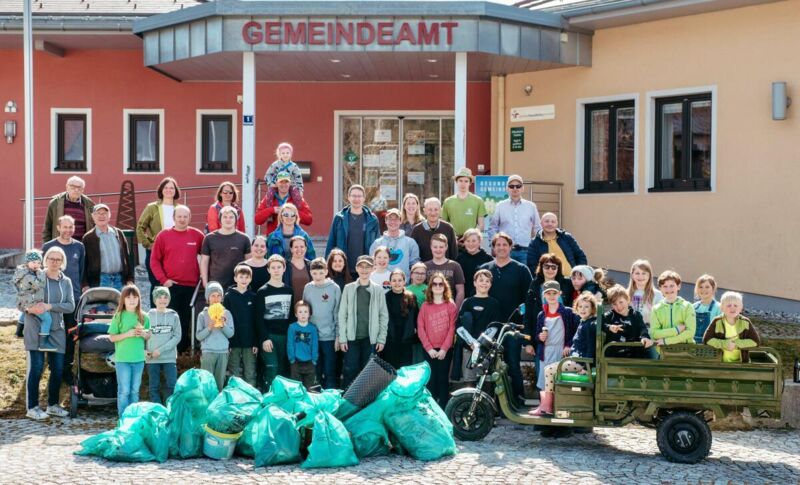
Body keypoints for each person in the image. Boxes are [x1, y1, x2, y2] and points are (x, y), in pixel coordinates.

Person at [23, 246, 75, 420]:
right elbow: (22, 300)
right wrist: (31, 308)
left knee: (58, 369)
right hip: (35, 326)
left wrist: (49, 306)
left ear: (62, 262)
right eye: (51, 258)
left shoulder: (66, 281)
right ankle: (32, 407)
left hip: (57, 328)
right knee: (37, 368)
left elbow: (70, 306)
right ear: (46, 260)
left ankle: (53, 405)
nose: (54, 262)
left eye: (58, 259)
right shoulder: (35, 277)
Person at [480, 232, 533, 399]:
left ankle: (518, 399)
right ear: (493, 248)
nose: (501, 248)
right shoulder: (484, 269)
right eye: (498, 245)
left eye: (505, 244)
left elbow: (529, 300)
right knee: (489, 366)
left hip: (512, 327)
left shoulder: (521, 270)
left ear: (511, 247)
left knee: (512, 364)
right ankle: (489, 402)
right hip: (490, 327)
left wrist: (526, 327)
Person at [531, 291, 597, 416]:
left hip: (580, 362)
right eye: (580, 306)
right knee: (549, 369)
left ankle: (547, 406)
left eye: (586, 307)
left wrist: (586, 367)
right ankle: (547, 404)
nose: (583, 309)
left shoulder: (589, 325)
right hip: (575, 359)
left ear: (592, 308)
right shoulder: (583, 322)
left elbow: (591, 347)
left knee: (549, 370)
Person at [149, 205, 205, 353]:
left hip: (191, 286)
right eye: (179, 216)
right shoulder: (163, 236)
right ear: (173, 218)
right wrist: (164, 280)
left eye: (185, 216)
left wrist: (203, 276)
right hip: (170, 286)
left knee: (186, 320)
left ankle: (182, 351)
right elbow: (154, 261)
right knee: (169, 319)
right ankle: (167, 350)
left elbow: (206, 257)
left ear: (190, 218)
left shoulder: (197, 235)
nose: (182, 219)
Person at [42, 215, 85, 382]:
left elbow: (81, 271)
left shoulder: (79, 247)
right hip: (51, 301)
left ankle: (66, 369)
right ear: (58, 227)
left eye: (71, 227)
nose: (68, 230)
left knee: (69, 335)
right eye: (65, 227)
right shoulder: (49, 246)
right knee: (51, 332)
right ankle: (53, 367)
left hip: (72, 300)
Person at [338, 255, 389, 387]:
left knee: (367, 372)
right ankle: (347, 397)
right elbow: (342, 314)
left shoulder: (378, 290)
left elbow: (383, 315)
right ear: (356, 268)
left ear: (372, 269)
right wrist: (342, 338)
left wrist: (381, 339)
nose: (364, 270)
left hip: (370, 339)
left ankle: (365, 397)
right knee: (350, 370)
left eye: (367, 267)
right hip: (352, 338)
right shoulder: (349, 288)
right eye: (361, 267)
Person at [531, 281, 579, 403]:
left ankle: (559, 406)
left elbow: (576, 332)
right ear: (544, 295)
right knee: (544, 381)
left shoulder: (568, 312)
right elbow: (537, 336)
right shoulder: (541, 315)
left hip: (562, 351)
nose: (551, 296)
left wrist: (568, 345)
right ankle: (544, 405)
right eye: (548, 293)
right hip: (545, 352)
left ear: (560, 294)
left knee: (559, 379)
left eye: (554, 293)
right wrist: (540, 337)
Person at [108, 284, 151, 415]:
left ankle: (133, 418)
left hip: (139, 359)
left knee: (134, 391)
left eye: (135, 297)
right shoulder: (119, 316)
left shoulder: (144, 316)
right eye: (128, 297)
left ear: (139, 299)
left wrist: (143, 334)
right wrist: (128, 334)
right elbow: (112, 337)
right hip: (123, 360)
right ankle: (123, 418)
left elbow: (148, 335)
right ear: (123, 300)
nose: (132, 300)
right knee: (124, 391)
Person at [417, 272, 457, 408]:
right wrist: (429, 348)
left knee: (443, 378)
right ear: (430, 287)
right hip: (429, 349)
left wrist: (444, 349)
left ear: (445, 287)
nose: (438, 286)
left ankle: (444, 408)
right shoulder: (425, 306)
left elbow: (452, 328)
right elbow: (420, 328)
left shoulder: (450, 305)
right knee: (431, 378)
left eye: (441, 284)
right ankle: (431, 407)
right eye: (435, 284)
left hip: (445, 349)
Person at [255, 255, 295, 391]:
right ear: (268, 270)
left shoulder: (289, 290)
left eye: (279, 267)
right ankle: (268, 395)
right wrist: (264, 338)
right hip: (269, 337)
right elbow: (258, 319)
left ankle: (281, 396)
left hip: (285, 336)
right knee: (272, 367)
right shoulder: (262, 291)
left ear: (284, 269)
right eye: (273, 268)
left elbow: (291, 316)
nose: (276, 270)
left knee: (283, 368)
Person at [137, 177, 180, 298]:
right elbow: (140, 227)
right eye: (166, 187)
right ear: (161, 190)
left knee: (173, 284)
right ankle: (154, 309)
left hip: (174, 253)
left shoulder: (179, 209)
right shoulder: (152, 207)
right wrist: (148, 244)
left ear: (176, 191)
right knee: (157, 284)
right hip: (155, 252)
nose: (169, 190)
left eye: (171, 188)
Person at [456, 269, 501, 384]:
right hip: (469, 348)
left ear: (491, 284)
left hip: (487, 349)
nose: (484, 283)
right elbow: (459, 326)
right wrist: (472, 343)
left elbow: (495, 326)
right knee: (469, 381)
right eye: (481, 280)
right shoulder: (467, 302)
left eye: (487, 281)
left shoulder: (494, 303)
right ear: (474, 283)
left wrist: (480, 343)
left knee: (486, 382)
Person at [303, 258, 342, 389]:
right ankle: (316, 395)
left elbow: (337, 312)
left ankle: (330, 395)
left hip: (329, 337)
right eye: (314, 273)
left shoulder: (334, 288)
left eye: (321, 273)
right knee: (315, 370)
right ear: (310, 273)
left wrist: (338, 336)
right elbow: (305, 312)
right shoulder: (308, 288)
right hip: (313, 337)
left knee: (330, 370)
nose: (318, 276)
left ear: (326, 271)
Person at [326, 185, 380, 277]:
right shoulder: (339, 218)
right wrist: (327, 266)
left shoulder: (372, 220)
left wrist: (376, 265)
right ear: (348, 197)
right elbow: (331, 242)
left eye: (359, 196)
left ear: (364, 198)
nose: (356, 199)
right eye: (354, 196)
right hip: (343, 269)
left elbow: (377, 245)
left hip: (365, 268)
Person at [488, 174, 541, 263]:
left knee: (525, 272)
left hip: (526, 251)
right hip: (505, 251)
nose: (515, 188)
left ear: (522, 188)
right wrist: (493, 246)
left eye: (518, 186)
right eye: (511, 186)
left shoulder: (531, 206)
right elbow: (492, 227)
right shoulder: (500, 206)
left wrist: (537, 247)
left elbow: (538, 228)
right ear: (507, 189)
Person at [82, 203, 133, 291]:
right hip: (100, 280)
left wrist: (130, 278)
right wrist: (85, 284)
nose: (102, 216)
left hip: (120, 279)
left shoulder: (118, 233)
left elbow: (127, 258)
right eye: (98, 213)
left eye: (104, 213)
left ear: (109, 216)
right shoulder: (88, 238)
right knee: (102, 301)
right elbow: (84, 263)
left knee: (120, 301)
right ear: (93, 217)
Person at [201, 205, 251, 289]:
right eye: (225, 217)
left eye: (231, 217)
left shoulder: (244, 238)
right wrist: (205, 283)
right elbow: (204, 262)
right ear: (220, 219)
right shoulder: (209, 238)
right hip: (216, 285)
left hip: (239, 285)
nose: (228, 220)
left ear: (236, 219)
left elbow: (249, 262)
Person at [146, 286, 181, 405]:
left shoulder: (174, 316)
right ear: (154, 300)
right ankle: (157, 410)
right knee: (153, 387)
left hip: (169, 358)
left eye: (165, 297)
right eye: (159, 297)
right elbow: (143, 335)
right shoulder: (147, 316)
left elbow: (177, 337)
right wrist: (144, 351)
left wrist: (160, 350)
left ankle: (169, 409)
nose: (162, 300)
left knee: (172, 385)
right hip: (152, 359)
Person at [702, 291, 761, 363]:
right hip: (720, 362)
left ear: (741, 308)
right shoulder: (717, 321)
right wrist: (724, 344)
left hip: (742, 362)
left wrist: (736, 344)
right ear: (722, 307)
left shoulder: (745, 322)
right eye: (729, 305)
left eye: (735, 305)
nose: (732, 308)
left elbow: (755, 342)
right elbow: (707, 339)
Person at [196, 282, 235, 391]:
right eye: (213, 296)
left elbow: (231, 334)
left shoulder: (227, 313)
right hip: (208, 352)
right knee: (206, 382)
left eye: (218, 296)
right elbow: (199, 336)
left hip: (222, 352)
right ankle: (205, 400)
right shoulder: (203, 315)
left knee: (219, 382)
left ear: (222, 298)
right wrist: (208, 328)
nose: (216, 299)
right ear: (207, 298)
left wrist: (223, 325)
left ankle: (217, 400)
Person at [224, 265, 258, 388]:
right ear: (235, 278)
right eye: (241, 277)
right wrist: (228, 342)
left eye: (247, 277)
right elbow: (225, 321)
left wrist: (255, 342)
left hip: (249, 342)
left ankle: (251, 395)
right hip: (233, 341)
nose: (244, 280)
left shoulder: (253, 297)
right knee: (234, 372)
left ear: (250, 279)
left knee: (250, 372)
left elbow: (256, 321)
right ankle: (235, 395)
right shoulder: (228, 296)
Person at [15, 250, 54, 350]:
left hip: (25, 300)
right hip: (32, 301)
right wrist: (41, 274)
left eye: (39, 263)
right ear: (27, 262)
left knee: (25, 312)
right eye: (33, 262)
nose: (36, 265)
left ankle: (18, 332)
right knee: (47, 319)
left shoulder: (23, 272)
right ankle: (43, 343)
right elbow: (39, 285)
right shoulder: (28, 275)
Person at [526, 212, 586, 277]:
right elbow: (532, 266)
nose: (550, 224)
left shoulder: (566, 237)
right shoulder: (535, 243)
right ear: (541, 223)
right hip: (550, 281)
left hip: (571, 279)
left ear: (557, 223)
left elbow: (580, 256)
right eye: (546, 221)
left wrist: (579, 273)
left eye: (553, 222)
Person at [601, 285, 654, 359]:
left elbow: (642, 328)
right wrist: (609, 327)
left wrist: (644, 337)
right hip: (615, 356)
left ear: (627, 300)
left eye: (621, 302)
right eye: (614, 304)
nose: (618, 307)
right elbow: (598, 324)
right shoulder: (609, 315)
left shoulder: (636, 315)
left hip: (634, 355)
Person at [650, 270, 697, 354]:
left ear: (678, 286)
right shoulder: (656, 309)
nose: (668, 289)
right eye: (665, 286)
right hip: (664, 352)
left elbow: (690, 332)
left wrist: (667, 341)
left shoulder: (688, 306)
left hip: (686, 351)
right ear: (660, 288)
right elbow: (654, 333)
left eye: (672, 286)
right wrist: (676, 330)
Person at [255, 171, 313, 235]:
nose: (284, 184)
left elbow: (309, 220)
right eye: (281, 182)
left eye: (286, 182)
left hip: (293, 237)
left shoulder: (297, 199)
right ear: (276, 183)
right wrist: (272, 210)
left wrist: (292, 211)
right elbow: (257, 220)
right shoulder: (269, 198)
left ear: (290, 183)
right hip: (273, 238)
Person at [368, 208, 420, 278]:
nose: (393, 222)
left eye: (396, 219)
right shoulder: (377, 243)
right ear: (386, 221)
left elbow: (415, 266)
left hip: (403, 283)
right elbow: (372, 265)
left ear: (400, 221)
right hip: (381, 283)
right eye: (390, 219)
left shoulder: (410, 243)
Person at [524, 254, 573, 328]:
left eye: (553, 267)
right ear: (541, 267)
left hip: (564, 328)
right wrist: (527, 331)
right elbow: (528, 311)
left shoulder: (567, 283)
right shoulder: (535, 284)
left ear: (558, 269)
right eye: (547, 266)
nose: (550, 270)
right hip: (541, 329)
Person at [42, 176, 95, 243]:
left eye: (79, 188)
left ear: (82, 190)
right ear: (67, 187)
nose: (76, 190)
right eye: (73, 187)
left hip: (82, 245)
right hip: (60, 245)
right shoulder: (55, 203)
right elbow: (47, 228)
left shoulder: (89, 204)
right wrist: (47, 246)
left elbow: (94, 227)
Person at [383, 269, 418, 370]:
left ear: (404, 281)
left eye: (399, 280)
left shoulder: (411, 297)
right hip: (390, 339)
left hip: (406, 339)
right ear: (390, 282)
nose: (397, 283)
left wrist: (413, 330)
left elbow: (415, 316)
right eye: (394, 280)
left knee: (405, 369)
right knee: (391, 369)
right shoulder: (386, 297)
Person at [441, 167, 487, 244]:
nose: (463, 184)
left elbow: (481, 225)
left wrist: (471, 236)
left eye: (466, 181)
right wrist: (451, 236)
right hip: (453, 240)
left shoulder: (478, 201)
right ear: (456, 182)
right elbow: (443, 224)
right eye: (460, 181)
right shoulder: (448, 201)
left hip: (471, 241)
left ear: (470, 183)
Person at [423, 233, 466, 309]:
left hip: (449, 309)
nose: (438, 250)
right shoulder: (424, 266)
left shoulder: (455, 266)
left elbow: (460, 291)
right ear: (431, 247)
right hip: (430, 309)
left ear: (446, 247)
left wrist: (456, 310)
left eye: (441, 247)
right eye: (435, 247)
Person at [410, 197, 458, 262]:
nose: (433, 213)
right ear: (424, 211)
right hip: (423, 267)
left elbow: (454, 254)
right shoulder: (417, 230)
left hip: (444, 268)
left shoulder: (448, 228)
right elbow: (412, 255)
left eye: (436, 209)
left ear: (440, 210)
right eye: (430, 209)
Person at [287, 300, 319, 389]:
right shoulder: (292, 327)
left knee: (310, 388)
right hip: (296, 362)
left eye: (305, 312)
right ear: (296, 314)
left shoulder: (312, 328)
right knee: (296, 387)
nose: (303, 314)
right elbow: (290, 344)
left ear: (309, 314)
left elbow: (315, 345)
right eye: (300, 312)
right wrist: (292, 359)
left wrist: (314, 360)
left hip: (310, 362)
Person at [455, 228, 492, 298]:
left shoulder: (488, 259)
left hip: (483, 298)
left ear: (479, 241)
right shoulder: (459, 259)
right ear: (464, 242)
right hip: (464, 298)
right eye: (468, 241)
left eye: (474, 241)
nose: (470, 244)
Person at [626, 259, 663, 327]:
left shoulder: (657, 295)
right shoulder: (626, 294)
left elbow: (662, 318)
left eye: (644, 273)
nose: (640, 276)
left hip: (650, 330)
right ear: (632, 275)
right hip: (630, 330)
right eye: (637, 273)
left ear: (649, 276)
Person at [693, 274, 722, 344]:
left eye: (707, 287)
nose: (703, 290)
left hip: (710, 345)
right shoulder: (693, 307)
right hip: (694, 345)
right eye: (701, 287)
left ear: (713, 288)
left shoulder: (719, 307)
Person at [284, 236, 312, 304]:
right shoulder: (285, 266)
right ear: (291, 249)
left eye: (302, 247)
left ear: (306, 248)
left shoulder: (311, 265)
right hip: (290, 306)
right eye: (296, 247)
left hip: (308, 307)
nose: (299, 249)